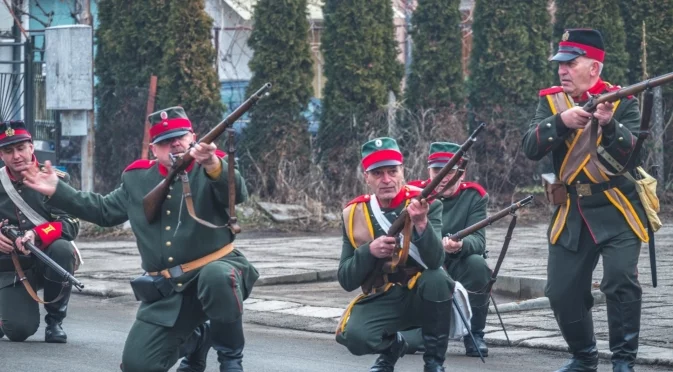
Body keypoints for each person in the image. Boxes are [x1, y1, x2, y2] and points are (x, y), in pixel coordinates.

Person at [21, 107, 259, 372]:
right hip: (168, 290)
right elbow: (103, 210)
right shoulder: (137, 179)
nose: (175, 144)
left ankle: (231, 361)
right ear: (153, 149)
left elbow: (238, 195)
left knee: (216, 276)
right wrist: (58, 190)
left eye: (181, 137)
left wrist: (213, 164)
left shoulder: (212, 166)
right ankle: (197, 340)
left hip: (220, 273)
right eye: (166, 141)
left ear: (193, 137)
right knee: (137, 365)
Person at [521, 29, 647, 372]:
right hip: (571, 211)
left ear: (594, 68)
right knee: (561, 292)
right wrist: (560, 121)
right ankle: (584, 355)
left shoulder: (622, 100)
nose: (562, 70)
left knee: (621, 281)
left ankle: (623, 361)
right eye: (560, 63)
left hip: (617, 207)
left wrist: (609, 125)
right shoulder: (550, 102)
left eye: (570, 63)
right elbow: (531, 148)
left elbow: (633, 158)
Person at [335, 137, 455, 372]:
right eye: (378, 173)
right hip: (384, 295)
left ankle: (434, 363)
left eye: (392, 171)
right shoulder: (353, 213)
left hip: (423, 295)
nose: (387, 180)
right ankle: (394, 346)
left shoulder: (427, 203)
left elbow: (435, 261)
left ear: (403, 171)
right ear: (366, 177)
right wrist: (368, 252)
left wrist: (421, 222)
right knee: (354, 338)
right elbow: (345, 279)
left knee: (438, 278)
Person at [399, 141, 491, 358]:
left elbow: (479, 241)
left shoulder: (474, 196)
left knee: (478, 265)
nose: (444, 176)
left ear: (463, 172)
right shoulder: (412, 192)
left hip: (457, 259)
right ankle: (418, 327)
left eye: (451, 170)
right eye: (438, 170)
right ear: (428, 170)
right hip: (423, 262)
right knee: (409, 344)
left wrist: (460, 245)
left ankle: (474, 333)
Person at [0, 120, 80, 344]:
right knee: (18, 331)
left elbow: (70, 223)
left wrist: (37, 234)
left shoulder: (55, 179)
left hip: (47, 259)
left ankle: (55, 321)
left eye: (21, 148)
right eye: (9, 150)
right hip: (12, 266)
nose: (16, 156)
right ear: (1, 155)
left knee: (63, 248)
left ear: (31, 147)